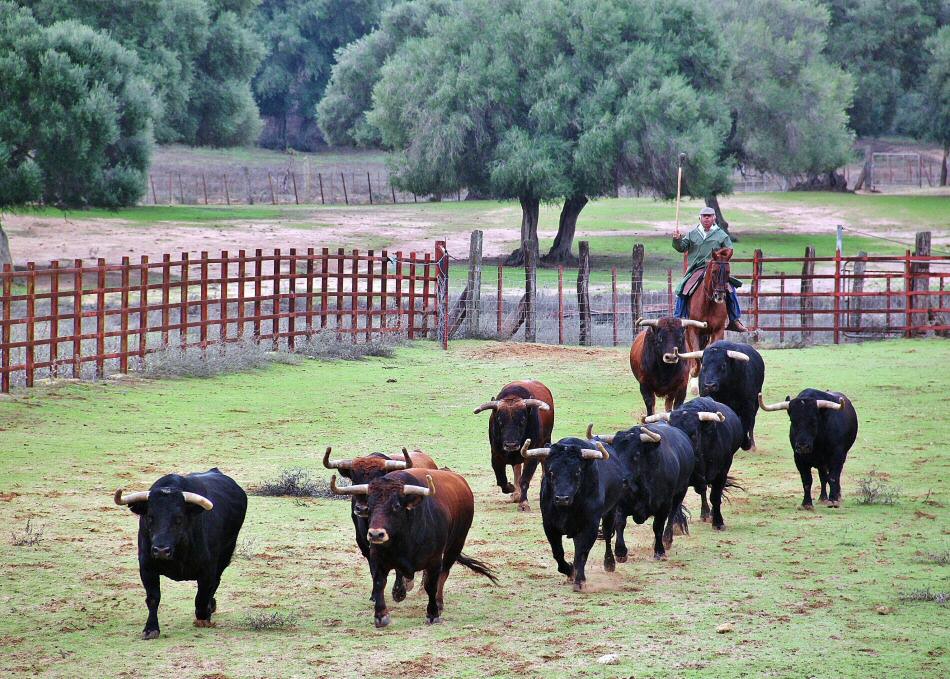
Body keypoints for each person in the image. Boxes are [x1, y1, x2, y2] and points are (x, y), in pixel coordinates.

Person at [672, 206, 749, 332]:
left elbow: (729, 250)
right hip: (697, 268)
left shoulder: (721, 235)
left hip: (717, 268)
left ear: (714, 218)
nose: (706, 218)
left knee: (730, 289)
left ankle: (734, 319)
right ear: (700, 218)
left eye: (709, 216)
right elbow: (681, 247)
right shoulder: (692, 234)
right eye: (704, 216)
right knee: (683, 288)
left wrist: (720, 257)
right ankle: (678, 319)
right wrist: (677, 240)